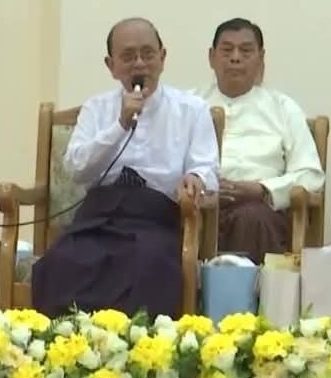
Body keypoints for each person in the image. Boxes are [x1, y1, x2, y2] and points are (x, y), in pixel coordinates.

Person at [31, 17, 219, 318]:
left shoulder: (192, 110)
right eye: (129, 56)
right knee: (62, 262)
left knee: (148, 266)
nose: (140, 63)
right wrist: (119, 124)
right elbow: (76, 167)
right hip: (97, 218)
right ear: (111, 65)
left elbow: (205, 167)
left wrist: (196, 179)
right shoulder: (96, 108)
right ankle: (68, 343)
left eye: (148, 54)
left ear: (163, 57)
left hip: (155, 219)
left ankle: (136, 346)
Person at [192, 18, 325, 262]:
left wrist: (262, 189)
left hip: (259, 210)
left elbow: (311, 176)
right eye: (227, 50)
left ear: (261, 58)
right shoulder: (189, 105)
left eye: (245, 51)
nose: (235, 58)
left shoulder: (283, 108)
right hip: (198, 207)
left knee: (253, 219)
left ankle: (244, 289)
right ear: (211, 57)